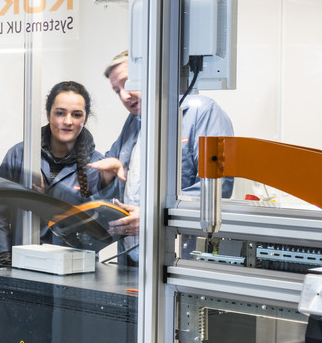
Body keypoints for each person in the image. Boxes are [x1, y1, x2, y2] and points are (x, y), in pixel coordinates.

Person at [88, 50, 234, 264]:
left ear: (151, 73)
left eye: (128, 84)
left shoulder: (202, 112)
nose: (124, 96)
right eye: (116, 91)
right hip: (132, 256)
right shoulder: (134, 122)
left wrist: (153, 216)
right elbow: (117, 181)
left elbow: (218, 187)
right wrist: (108, 174)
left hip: (179, 256)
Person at [0, 80, 105, 268]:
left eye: (77, 114)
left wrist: (48, 199)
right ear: (48, 115)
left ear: (85, 119)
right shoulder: (20, 155)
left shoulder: (97, 165)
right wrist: (4, 256)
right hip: (24, 262)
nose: (68, 121)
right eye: (60, 113)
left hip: (74, 268)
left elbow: (97, 230)